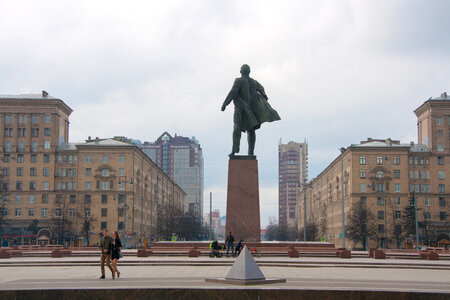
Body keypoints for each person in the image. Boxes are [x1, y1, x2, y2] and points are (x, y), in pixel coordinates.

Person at [221, 64, 280, 157]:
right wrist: (264, 96)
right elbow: (261, 88)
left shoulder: (239, 81)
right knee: (251, 130)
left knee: (237, 127)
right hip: (251, 109)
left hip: (240, 109)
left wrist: (224, 104)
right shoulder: (254, 82)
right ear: (249, 72)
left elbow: (232, 93)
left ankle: (234, 149)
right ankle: (251, 152)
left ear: (240, 72)